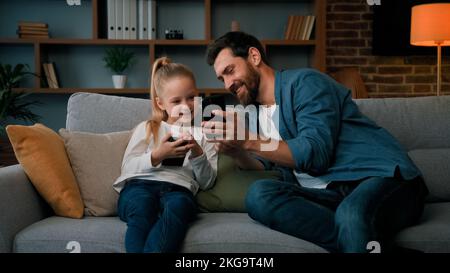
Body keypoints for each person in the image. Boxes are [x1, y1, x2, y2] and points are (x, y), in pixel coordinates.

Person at [203, 31, 428, 253]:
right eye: (222, 78)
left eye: (230, 71)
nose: (227, 84)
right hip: (330, 196)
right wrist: (236, 151)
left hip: (381, 178)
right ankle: (358, 240)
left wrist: (249, 141)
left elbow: (315, 154)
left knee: (351, 215)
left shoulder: (305, 83)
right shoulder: (255, 115)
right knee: (260, 195)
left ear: (254, 57)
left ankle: (355, 234)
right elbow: (267, 164)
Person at [113, 57, 217, 253]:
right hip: (139, 186)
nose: (185, 106)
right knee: (143, 207)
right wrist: (157, 155)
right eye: (176, 101)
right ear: (160, 103)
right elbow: (127, 168)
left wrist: (197, 152)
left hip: (178, 190)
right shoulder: (149, 128)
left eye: (191, 98)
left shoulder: (202, 135)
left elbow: (207, 182)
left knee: (179, 207)